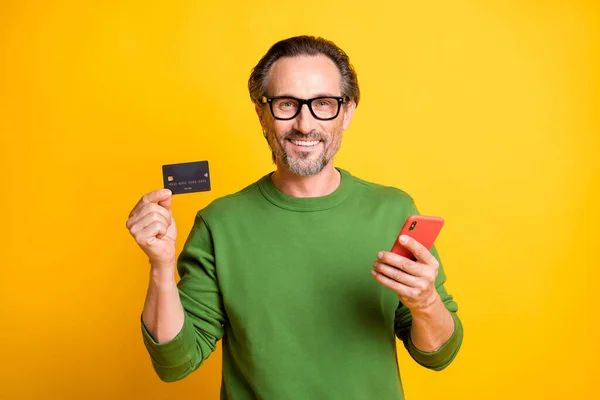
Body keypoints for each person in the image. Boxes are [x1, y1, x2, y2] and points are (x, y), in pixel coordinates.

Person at [126, 35, 463, 399]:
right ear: (262, 113)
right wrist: (160, 266)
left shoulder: (393, 210)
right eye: (287, 104)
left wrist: (425, 301)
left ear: (347, 112)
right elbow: (176, 361)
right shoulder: (220, 223)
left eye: (323, 104)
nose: (305, 124)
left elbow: (439, 354)